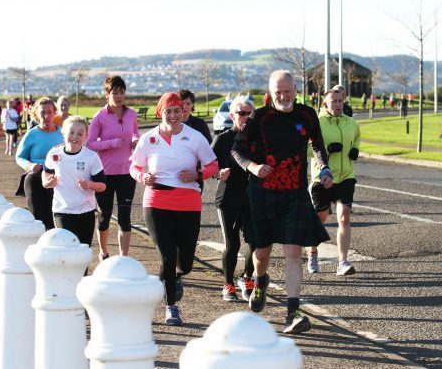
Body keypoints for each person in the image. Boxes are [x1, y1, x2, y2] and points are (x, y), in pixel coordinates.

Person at [231, 70, 332, 334]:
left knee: (293, 252)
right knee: (261, 254)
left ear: (296, 90)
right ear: (270, 93)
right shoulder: (260, 117)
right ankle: (260, 280)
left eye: (287, 92)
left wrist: (324, 167)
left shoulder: (307, 114)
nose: (283, 97)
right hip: (262, 193)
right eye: (278, 93)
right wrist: (252, 166)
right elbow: (237, 148)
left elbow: (318, 143)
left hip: (294, 193)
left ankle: (293, 312)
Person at [129, 93, 218, 326]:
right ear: (161, 112)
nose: (173, 115)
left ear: (183, 112)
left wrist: (197, 174)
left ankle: (174, 278)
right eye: (168, 111)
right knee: (167, 256)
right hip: (156, 201)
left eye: (177, 110)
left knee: (185, 263)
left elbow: (213, 165)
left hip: (188, 201)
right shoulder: (148, 139)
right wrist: (143, 176)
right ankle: (171, 307)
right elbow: (134, 166)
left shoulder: (195, 137)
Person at [307, 89, 361, 276]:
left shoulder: (351, 123)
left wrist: (355, 149)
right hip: (322, 178)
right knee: (320, 219)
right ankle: (313, 252)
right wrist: (327, 150)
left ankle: (342, 262)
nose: (337, 104)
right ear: (325, 104)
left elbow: (357, 139)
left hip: (346, 176)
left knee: (344, 217)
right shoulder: (317, 124)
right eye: (333, 101)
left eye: (340, 101)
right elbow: (307, 150)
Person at [87, 76, 140, 260]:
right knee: (104, 216)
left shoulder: (131, 114)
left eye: (122, 92)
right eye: (115, 92)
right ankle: (104, 252)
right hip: (106, 174)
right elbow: (90, 144)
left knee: (125, 218)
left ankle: (124, 258)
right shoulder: (99, 117)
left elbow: (135, 133)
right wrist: (111, 143)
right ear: (107, 94)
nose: (119, 96)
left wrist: (135, 141)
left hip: (127, 172)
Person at [211, 95, 256, 302]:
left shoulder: (257, 139)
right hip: (228, 197)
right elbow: (207, 166)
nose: (245, 117)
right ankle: (228, 284)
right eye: (241, 113)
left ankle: (247, 278)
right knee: (232, 244)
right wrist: (218, 172)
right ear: (232, 115)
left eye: (249, 113)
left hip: (252, 198)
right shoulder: (223, 139)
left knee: (255, 242)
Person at [42, 116, 106, 248]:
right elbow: (46, 173)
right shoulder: (54, 153)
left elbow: (102, 186)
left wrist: (89, 184)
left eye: (80, 133)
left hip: (86, 211)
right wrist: (47, 182)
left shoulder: (91, 157)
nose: (75, 137)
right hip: (62, 211)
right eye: (71, 132)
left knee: (83, 252)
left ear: (86, 137)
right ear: (63, 133)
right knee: (69, 249)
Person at [15, 97, 64, 230]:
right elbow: (19, 157)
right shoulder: (32, 134)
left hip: (57, 179)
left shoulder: (63, 134)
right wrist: (30, 166)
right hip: (36, 177)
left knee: (54, 220)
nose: (46, 116)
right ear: (36, 114)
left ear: (55, 113)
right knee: (38, 220)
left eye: (49, 112)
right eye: (43, 112)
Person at [178, 89, 212, 192]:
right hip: (173, 173)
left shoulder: (200, 124)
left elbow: (208, 143)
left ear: (192, 105)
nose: (185, 106)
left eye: (188, 103)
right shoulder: (170, 124)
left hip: (194, 172)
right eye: (182, 103)